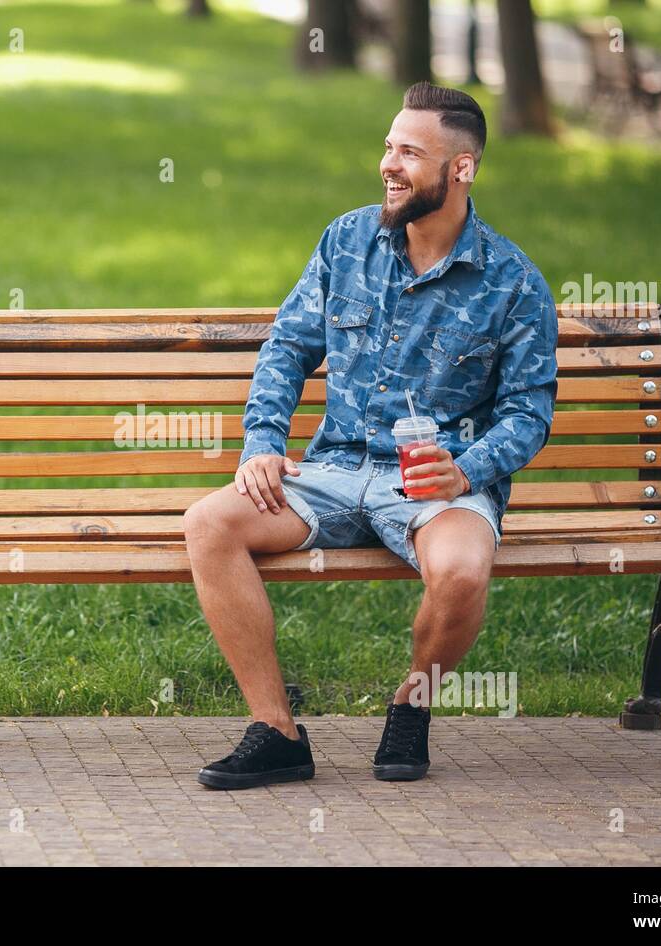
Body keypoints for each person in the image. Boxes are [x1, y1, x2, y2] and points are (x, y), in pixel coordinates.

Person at [184, 82, 558, 790]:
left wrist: (467, 469)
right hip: (329, 472)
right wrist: (262, 441)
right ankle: (277, 733)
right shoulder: (347, 239)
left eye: (410, 152)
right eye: (389, 146)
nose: (389, 163)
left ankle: (410, 708)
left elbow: (528, 412)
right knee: (209, 524)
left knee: (461, 572)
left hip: (429, 486)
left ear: (462, 169)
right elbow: (287, 348)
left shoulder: (511, 282)